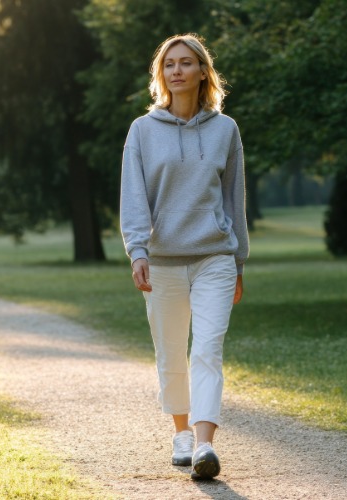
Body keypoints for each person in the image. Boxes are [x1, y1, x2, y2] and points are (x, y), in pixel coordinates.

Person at [119, 33, 248, 480]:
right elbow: (134, 197)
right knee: (171, 351)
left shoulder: (225, 130)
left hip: (215, 257)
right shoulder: (142, 131)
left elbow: (234, 200)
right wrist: (137, 250)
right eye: (169, 63)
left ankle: (205, 444)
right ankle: (181, 433)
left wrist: (239, 261)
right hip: (163, 261)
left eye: (186, 62)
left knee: (208, 349)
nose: (177, 70)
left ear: (202, 72)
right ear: (162, 74)